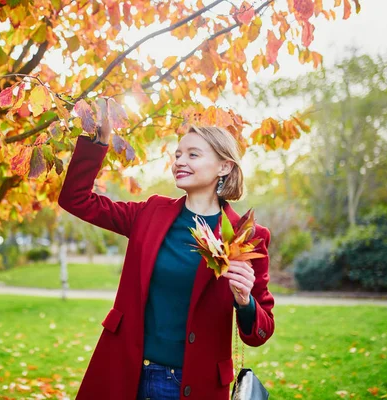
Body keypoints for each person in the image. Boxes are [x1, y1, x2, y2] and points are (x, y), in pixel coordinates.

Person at [57, 115, 275, 400]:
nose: (179, 161)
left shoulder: (248, 235)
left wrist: (245, 301)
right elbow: (75, 199)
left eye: (193, 154)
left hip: (194, 383)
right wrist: (97, 141)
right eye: (178, 154)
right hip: (126, 373)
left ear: (224, 166)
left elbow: (261, 331)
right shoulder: (150, 213)